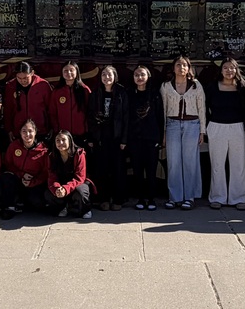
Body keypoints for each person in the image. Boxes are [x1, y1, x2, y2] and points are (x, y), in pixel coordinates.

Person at [160, 54, 206, 210]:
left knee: (190, 161)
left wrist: (202, 131)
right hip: (172, 125)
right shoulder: (166, 86)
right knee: (173, 162)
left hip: (192, 125)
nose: (181, 68)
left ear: (189, 68)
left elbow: (202, 109)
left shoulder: (196, 85)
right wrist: (164, 132)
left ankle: (189, 197)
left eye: (184, 65)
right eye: (178, 65)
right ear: (173, 68)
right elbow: (163, 110)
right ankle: (174, 197)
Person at [205, 56, 245, 210]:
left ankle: (238, 198)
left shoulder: (243, 87)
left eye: (232, 67)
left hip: (238, 127)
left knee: (238, 164)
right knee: (217, 164)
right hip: (217, 127)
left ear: (236, 69)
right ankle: (217, 197)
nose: (229, 70)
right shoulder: (212, 87)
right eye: (225, 67)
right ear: (221, 70)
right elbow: (205, 108)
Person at [87, 65, 129, 210]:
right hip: (100, 137)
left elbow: (125, 117)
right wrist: (91, 138)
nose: (106, 77)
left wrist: (124, 139)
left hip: (117, 137)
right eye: (104, 74)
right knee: (101, 169)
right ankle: (103, 198)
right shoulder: (96, 93)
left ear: (115, 76)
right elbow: (90, 117)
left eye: (109, 74)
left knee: (118, 169)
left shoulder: (121, 93)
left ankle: (118, 199)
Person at [127, 65, 163, 211]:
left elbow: (160, 117)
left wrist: (160, 138)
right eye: (136, 75)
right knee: (137, 170)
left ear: (148, 77)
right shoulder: (129, 94)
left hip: (151, 138)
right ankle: (140, 199)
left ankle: (152, 199)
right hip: (135, 138)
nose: (139, 77)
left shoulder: (155, 94)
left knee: (151, 169)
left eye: (142, 74)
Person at [1, 118, 49, 216]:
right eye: (24, 131)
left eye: (30, 131)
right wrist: (21, 174)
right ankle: (10, 207)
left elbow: (45, 172)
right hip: (17, 179)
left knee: (37, 203)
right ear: (20, 132)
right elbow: (8, 164)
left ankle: (24, 202)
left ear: (35, 132)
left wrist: (32, 182)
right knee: (7, 177)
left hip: (34, 183)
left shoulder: (43, 150)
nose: (27, 135)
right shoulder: (14, 146)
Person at [44, 129, 93, 219]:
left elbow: (80, 177)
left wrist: (66, 189)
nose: (60, 143)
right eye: (58, 140)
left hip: (77, 184)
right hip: (61, 184)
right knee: (48, 193)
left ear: (70, 141)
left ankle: (85, 209)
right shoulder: (52, 156)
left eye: (63, 140)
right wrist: (57, 188)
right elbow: (52, 176)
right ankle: (62, 208)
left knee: (81, 192)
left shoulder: (79, 154)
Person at [3, 61, 53, 142]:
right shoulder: (10, 86)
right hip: (19, 130)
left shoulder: (43, 85)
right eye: (19, 78)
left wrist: (52, 127)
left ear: (32, 73)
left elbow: (51, 108)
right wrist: (9, 129)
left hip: (40, 129)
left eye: (26, 78)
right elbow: (8, 109)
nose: (23, 81)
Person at [49, 60, 91, 144]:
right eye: (65, 71)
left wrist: (87, 131)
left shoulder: (84, 90)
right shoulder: (57, 92)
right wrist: (57, 130)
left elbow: (89, 112)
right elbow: (52, 112)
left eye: (71, 70)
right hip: (63, 136)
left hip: (81, 135)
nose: (68, 73)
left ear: (77, 72)